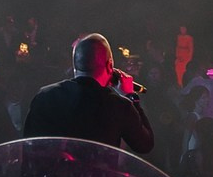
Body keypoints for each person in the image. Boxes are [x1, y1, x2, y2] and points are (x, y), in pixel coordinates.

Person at [21, 32, 154, 154]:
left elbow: (29, 144)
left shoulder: (45, 96)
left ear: (76, 65)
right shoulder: (118, 105)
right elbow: (145, 144)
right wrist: (130, 97)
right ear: (109, 66)